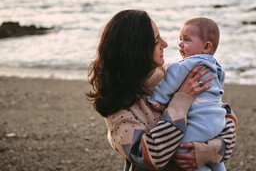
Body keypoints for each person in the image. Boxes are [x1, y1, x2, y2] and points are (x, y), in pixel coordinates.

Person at [86, 10, 237, 171]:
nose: (165, 44)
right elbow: (149, 156)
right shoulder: (117, 108)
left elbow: (222, 115)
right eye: (157, 41)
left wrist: (209, 151)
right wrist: (182, 99)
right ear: (136, 50)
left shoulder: (176, 72)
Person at [148, 18, 228, 171]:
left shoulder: (188, 64)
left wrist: (158, 98)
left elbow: (171, 79)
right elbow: (220, 82)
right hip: (218, 120)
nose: (180, 44)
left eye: (186, 40)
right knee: (211, 156)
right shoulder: (215, 66)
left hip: (200, 121)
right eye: (180, 39)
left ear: (206, 47)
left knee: (182, 150)